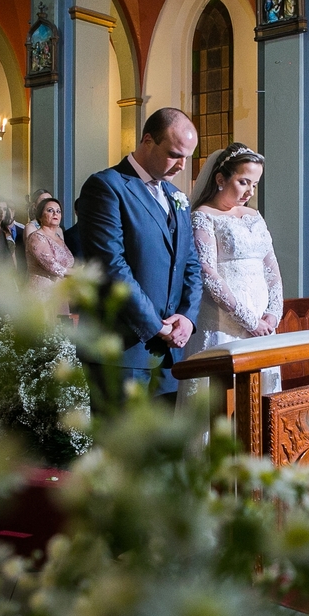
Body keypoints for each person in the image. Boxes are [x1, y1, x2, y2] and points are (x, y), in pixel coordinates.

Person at [76, 107, 202, 407]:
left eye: (187, 157)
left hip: (169, 355)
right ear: (147, 141)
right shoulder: (107, 186)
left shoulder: (176, 196)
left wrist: (187, 317)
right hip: (122, 351)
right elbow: (111, 265)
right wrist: (157, 326)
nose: (182, 166)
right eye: (174, 155)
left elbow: (190, 263)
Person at [182, 143, 284, 397]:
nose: (250, 191)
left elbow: (271, 267)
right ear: (220, 179)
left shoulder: (254, 216)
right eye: (243, 182)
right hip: (223, 321)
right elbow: (208, 273)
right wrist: (249, 320)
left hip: (263, 323)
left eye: (255, 184)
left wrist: (273, 313)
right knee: (221, 396)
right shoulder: (203, 216)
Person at [24, 195, 74, 315]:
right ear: (40, 216)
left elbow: (68, 262)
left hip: (59, 295)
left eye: (58, 211)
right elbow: (52, 266)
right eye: (50, 210)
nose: (55, 214)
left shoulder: (58, 238)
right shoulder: (37, 237)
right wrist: (77, 273)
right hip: (42, 295)